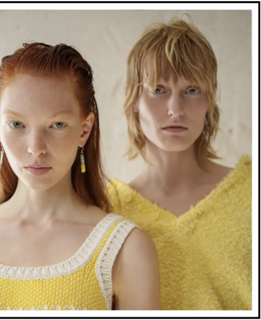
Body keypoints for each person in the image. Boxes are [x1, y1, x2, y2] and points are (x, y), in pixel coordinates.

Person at [0, 42, 160, 310]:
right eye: (17, 124)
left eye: (57, 125)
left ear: (84, 130)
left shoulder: (126, 249)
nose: (35, 148)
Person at [106, 18, 251, 310]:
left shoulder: (252, 191)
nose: (175, 110)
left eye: (192, 90)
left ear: (210, 100)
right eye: (158, 90)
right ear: (134, 99)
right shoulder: (108, 210)